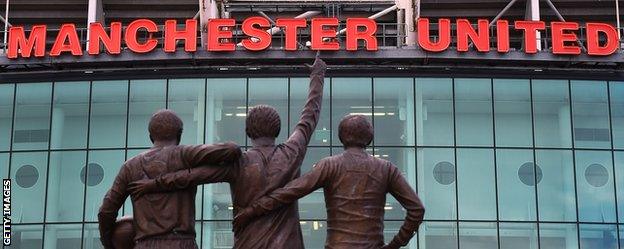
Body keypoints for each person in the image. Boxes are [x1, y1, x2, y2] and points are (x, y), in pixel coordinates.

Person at [127, 55, 327, 249]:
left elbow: (190, 177)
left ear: (248, 132)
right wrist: (317, 75)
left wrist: (152, 184)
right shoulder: (291, 153)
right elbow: (309, 116)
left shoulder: (239, 163)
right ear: (278, 129)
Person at [233, 115, 425, 249]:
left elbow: (289, 192)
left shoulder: (330, 165)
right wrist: (395, 244)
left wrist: (252, 210)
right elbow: (417, 209)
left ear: (341, 137)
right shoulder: (386, 168)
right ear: (370, 137)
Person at [97, 109, 242, 249]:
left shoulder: (130, 166)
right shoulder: (184, 155)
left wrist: (109, 244)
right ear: (179, 134)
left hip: (145, 244)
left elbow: (106, 212)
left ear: (151, 136)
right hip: (182, 244)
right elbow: (232, 150)